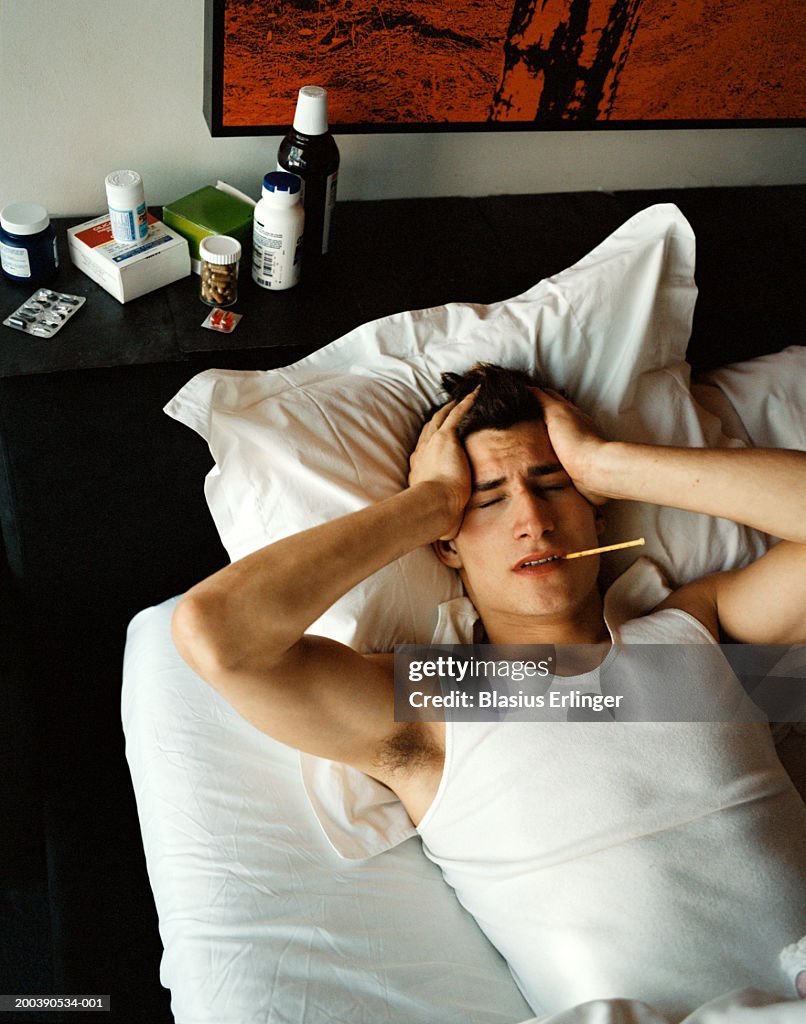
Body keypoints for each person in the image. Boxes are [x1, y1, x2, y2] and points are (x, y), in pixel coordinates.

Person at [172, 363, 806, 1015]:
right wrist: (427, 505)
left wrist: (609, 463)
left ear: (594, 508)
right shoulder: (435, 702)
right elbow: (219, 635)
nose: (532, 520)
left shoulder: (697, 630)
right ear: (444, 545)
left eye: (552, 483)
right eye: (489, 499)